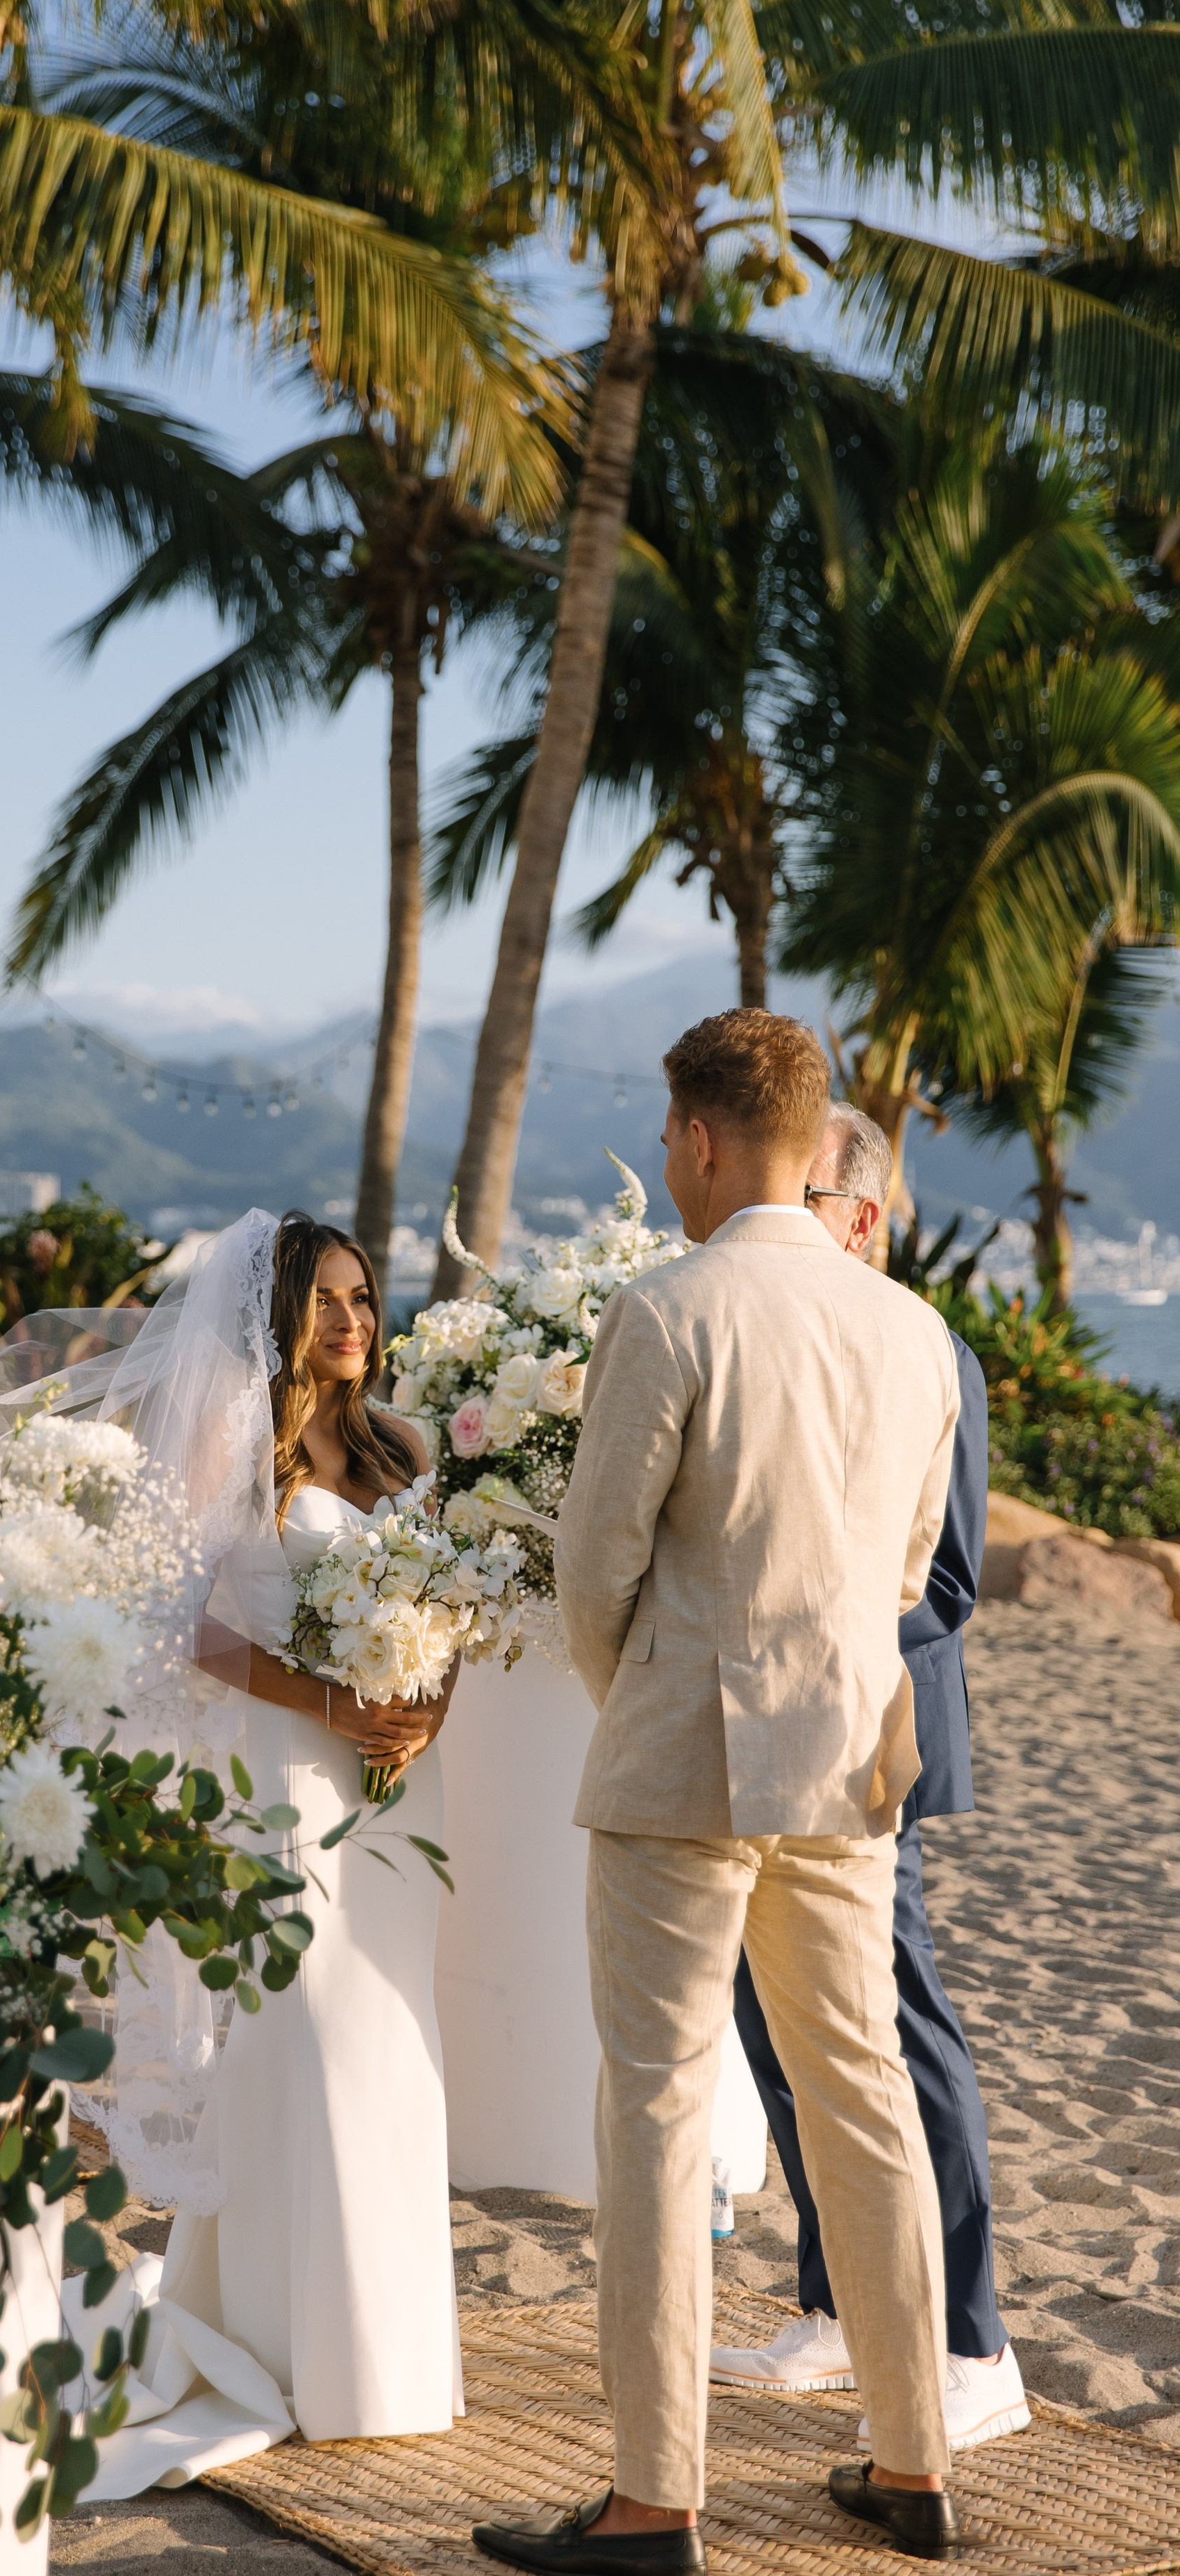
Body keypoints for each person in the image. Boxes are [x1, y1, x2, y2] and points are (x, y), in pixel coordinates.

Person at [474, 1012, 963, 2576]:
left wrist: (644, 1699)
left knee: (659, 2110)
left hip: (687, 1747)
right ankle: (911, 2465)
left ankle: (650, 2500)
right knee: (860, 2099)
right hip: (848, 1752)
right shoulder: (906, 1330)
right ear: (817, 1139)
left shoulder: (669, 1305)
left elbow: (593, 1569)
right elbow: (898, 1574)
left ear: (692, 1140)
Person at [21, 1211, 463, 2493]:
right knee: (305, 2040)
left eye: (363, 1298)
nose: (350, 1322)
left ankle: (387, 2359)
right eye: (324, 1301)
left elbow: (457, 1604)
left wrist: (428, 1706)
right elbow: (185, 1635)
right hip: (285, 1778)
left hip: (400, 1784)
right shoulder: (233, 1446)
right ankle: (297, 2344)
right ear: (275, 1318)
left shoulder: (400, 1449)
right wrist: (333, 1704)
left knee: (389, 2047)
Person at [711, 1106, 1028, 2451]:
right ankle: (839, 2307)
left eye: (811, 1200)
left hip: (875, 1735)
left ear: (862, 1217)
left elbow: (943, 1577)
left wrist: (807, 1627)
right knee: (773, 2019)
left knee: (898, 2024)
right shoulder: (795, 1332)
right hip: (766, 1733)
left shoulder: (922, 1345)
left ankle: (969, 2338)